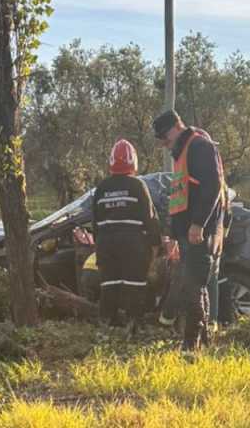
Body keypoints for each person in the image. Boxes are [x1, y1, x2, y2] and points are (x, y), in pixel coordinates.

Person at [153, 110, 227, 351]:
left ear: (176, 127)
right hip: (187, 233)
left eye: (164, 137)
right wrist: (175, 235)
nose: (164, 144)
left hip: (198, 233)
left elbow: (213, 186)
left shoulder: (199, 146)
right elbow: (180, 198)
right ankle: (202, 340)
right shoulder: (182, 152)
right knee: (195, 287)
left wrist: (198, 223)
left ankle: (190, 344)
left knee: (192, 287)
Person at [92, 139, 161, 334]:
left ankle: (108, 324)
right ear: (134, 162)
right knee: (135, 284)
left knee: (109, 284)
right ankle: (134, 325)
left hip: (106, 243)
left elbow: (95, 221)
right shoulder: (138, 185)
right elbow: (150, 218)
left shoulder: (101, 188)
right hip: (133, 243)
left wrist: (99, 245)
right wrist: (156, 244)